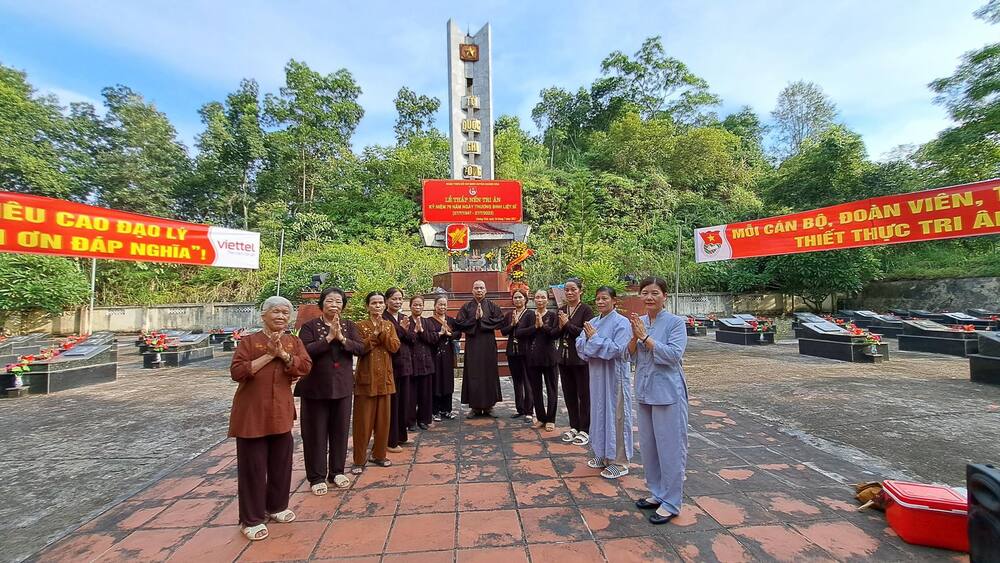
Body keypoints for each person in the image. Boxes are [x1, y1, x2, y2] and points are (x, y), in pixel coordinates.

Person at [228, 296, 312, 541]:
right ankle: (251, 518)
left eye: (286, 313)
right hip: (251, 414)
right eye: (275, 311)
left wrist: (285, 356)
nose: (281, 316)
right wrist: (269, 356)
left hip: (281, 412)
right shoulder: (249, 342)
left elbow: (305, 367)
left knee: (281, 463)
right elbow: (237, 372)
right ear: (263, 315)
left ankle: (277, 506)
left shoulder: (292, 342)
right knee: (253, 468)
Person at [629, 276, 689, 525]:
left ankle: (672, 502)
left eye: (655, 293)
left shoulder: (676, 323)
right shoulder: (640, 322)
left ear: (664, 296)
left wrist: (645, 338)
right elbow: (628, 356)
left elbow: (673, 355)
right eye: (645, 293)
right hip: (645, 391)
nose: (649, 297)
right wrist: (634, 337)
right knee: (650, 447)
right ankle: (657, 493)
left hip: (668, 394)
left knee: (670, 448)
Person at [296, 287, 364, 494]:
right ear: (322, 304)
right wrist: (328, 338)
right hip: (315, 387)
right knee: (315, 433)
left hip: (342, 387)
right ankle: (316, 477)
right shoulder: (309, 327)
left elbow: (361, 348)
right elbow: (305, 351)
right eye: (330, 301)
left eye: (338, 302)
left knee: (340, 431)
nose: (334, 305)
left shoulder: (349, 326)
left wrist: (342, 338)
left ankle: (337, 471)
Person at [576, 286, 633, 480]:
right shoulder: (592, 322)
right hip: (597, 375)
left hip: (614, 377)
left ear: (614, 301)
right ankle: (603, 453)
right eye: (598, 299)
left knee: (617, 417)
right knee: (599, 413)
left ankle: (620, 461)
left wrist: (595, 340)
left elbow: (618, 350)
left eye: (604, 298)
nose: (600, 302)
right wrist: (594, 343)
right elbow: (581, 347)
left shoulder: (622, 323)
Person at [352, 292, 400, 474]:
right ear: (367, 306)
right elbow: (359, 349)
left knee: (383, 421)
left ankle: (379, 454)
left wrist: (383, 334)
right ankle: (359, 459)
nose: (378, 306)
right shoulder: (359, 326)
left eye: (380, 303)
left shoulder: (389, 325)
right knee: (362, 422)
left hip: (385, 379)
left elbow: (395, 347)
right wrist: (374, 334)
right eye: (374, 303)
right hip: (366, 380)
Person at [454, 280, 506, 417]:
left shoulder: (492, 305)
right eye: (476, 288)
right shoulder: (466, 307)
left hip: (488, 344)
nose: (479, 290)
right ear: (472, 290)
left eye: (481, 288)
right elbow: (459, 323)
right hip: (473, 344)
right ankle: (475, 407)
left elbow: (500, 321)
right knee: (473, 374)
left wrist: (482, 320)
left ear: (486, 290)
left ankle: (489, 406)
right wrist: (474, 319)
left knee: (489, 373)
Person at [555, 278, 593, 446]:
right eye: (567, 290)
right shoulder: (562, 309)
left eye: (573, 289)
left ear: (580, 291)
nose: (570, 293)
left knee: (584, 395)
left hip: (580, 359)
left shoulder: (586, 310)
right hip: (563, 358)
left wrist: (567, 324)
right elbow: (556, 333)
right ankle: (574, 426)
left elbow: (585, 333)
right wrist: (561, 325)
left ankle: (585, 429)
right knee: (569, 394)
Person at [518, 288, 559, 432]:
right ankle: (541, 417)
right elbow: (519, 332)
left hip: (550, 357)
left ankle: (551, 419)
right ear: (533, 299)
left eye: (542, 297)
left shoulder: (553, 316)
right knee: (536, 389)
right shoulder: (529, 316)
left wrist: (544, 326)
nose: (539, 300)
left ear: (547, 299)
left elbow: (555, 334)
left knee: (552, 388)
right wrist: (535, 327)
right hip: (533, 357)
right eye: (537, 297)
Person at [383, 288, 413, 452]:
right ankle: (390, 440)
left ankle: (401, 436)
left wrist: (404, 331)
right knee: (392, 404)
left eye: (400, 299)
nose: (398, 302)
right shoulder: (384, 319)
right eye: (394, 299)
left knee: (404, 403)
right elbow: (391, 342)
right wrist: (402, 330)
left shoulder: (404, 317)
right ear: (387, 300)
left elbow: (413, 338)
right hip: (391, 365)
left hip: (405, 364)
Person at [500, 288, 533, 422]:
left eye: (520, 297)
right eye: (515, 297)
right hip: (512, 351)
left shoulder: (530, 314)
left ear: (525, 299)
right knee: (517, 381)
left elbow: (533, 330)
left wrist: (518, 328)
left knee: (527, 380)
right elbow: (503, 331)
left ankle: (529, 410)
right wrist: (512, 325)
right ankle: (520, 408)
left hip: (525, 351)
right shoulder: (509, 315)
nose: (517, 300)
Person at [407, 295, 438, 429]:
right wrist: (415, 331)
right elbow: (406, 339)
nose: (417, 307)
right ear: (410, 306)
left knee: (425, 394)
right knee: (411, 394)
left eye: (420, 305)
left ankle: (423, 420)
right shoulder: (406, 321)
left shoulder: (427, 322)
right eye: (415, 305)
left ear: (423, 307)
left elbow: (433, 339)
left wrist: (422, 331)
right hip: (411, 362)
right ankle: (411, 421)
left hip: (426, 362)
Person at [427, 295, 458, 420]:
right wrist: (439, 333)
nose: (442, 307)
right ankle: (436, 411)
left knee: (448, 381)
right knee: (437, 382)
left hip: (448, 355)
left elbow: (458, 333)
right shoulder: (429, 320)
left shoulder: (451, 320)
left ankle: (447, 410)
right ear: (435, 306)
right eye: (440, 304)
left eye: (444, 304)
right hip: (435, 355)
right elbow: (428, 335)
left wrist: (449, 334)